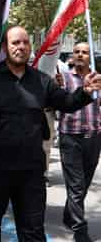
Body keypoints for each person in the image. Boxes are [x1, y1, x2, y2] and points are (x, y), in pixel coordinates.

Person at [0, 26, 101, 242]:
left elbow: (67, 103)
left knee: (33, 231)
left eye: (25, 42)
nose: (21, 47)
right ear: (5, 48)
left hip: (31, 171)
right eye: (15, 43)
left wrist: (86, 92)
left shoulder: (42, 80)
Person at [57, 42, 101, 242]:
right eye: (77, 52)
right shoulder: (64, 79)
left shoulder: (99, 79)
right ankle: (80, 231)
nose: (81, 55)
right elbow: (60, 103)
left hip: (93, 137)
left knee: (83, 184)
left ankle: (69, 214)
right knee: (76, 185)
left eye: (85, 52)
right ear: (72, 57)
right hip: (70, 137)